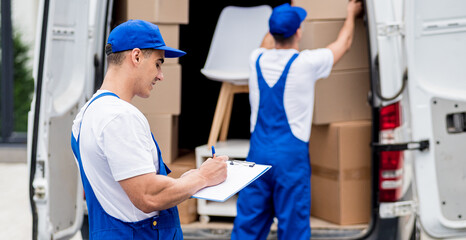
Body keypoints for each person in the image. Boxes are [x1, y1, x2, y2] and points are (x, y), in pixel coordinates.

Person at [70, 19, 228, 239]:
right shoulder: (119, 117)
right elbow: (148, 196)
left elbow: (120, 194)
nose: (161, 75)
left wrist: (187, 179)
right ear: (136, 56)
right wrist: (203, 177)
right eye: (158, 63)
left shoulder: (85, 116)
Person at [231, 1, 363, 239]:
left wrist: (278, 21)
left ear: (271, 33)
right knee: (293, 229)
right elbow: (344, 43)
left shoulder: (256, 58)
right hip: (290, 161)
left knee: (248, 228)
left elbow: (267, 41)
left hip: (258, 155)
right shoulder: (306, 63)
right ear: (299, 32)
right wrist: (352, 14)